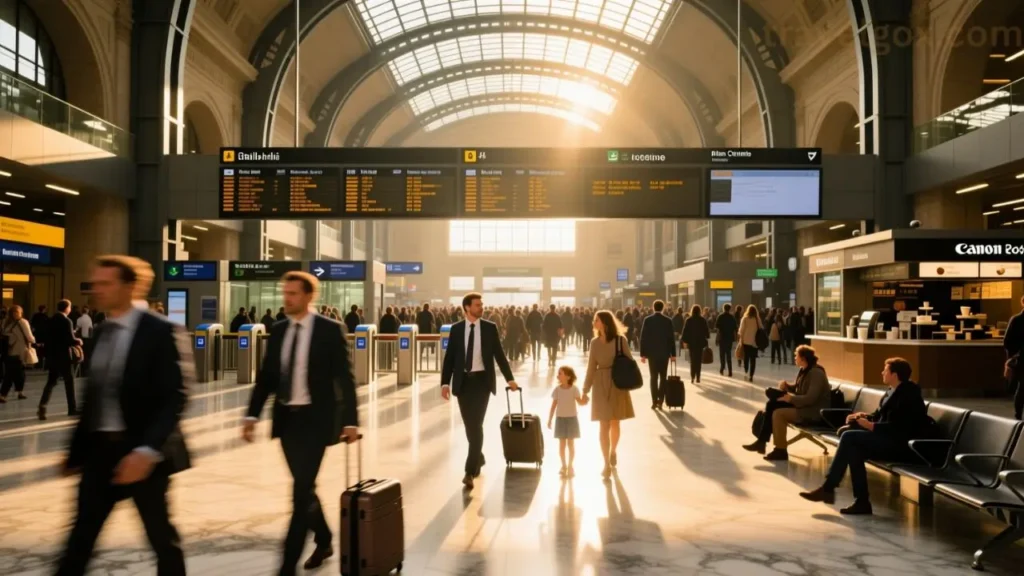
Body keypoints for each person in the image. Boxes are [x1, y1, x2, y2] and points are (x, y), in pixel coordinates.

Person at [55, 256, 193, 575]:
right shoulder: (104, 331)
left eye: (106, 283)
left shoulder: (162, 331)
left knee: (162, 539)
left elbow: (176, 395)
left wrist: (146, 451)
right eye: (96, 283)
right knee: (79, 541)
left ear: (130, 286)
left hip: (142, 456)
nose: (96, 290)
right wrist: (74, 453)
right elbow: (94, 397)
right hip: (99, 455)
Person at [242, 271, 359, 574]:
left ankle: (286, 565)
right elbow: (267, 377)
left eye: (293, 293)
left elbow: (344, 378)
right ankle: (324, 537)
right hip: (286, 421)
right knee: (303, 488)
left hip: (316, 421)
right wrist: (252, 414)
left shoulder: (330, 330)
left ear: (309, 296)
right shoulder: (279, 330)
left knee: (299, 492)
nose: (287, 298)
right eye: (285, 292)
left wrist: (351, 421)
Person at [800, 358, 929, 515]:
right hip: (887, 440)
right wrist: (864, 417)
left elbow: (903, 427)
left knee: (848, 437)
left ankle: (828, 487)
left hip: (903, 446)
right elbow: (880, 416)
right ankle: (862, 502)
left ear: (895, 375)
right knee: (854, 451)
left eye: (885, 370)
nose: (882, 372)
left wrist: (871, 426)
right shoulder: (892, 391)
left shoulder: (909, 396)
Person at [441, 293, 517, 490]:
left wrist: (510, 379)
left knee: (476, 425)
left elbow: (499, 355)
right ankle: (479, 457)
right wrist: (444, 383)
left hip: (482, 383)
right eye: (477, 305)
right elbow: (449, 358)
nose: (481, 307)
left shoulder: (489, 328)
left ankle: (469, 471)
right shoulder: (457, 329)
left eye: (481, 304)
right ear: (467, 307)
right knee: (470, 425)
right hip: (462, 383)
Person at [744, 345, 831, 461]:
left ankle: (779, 450)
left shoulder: (816, 374)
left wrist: (790, 399)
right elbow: (798, 389)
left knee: (778, 413)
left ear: (803, 358)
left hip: (813, 412)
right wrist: (787, 387)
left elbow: (811, 398)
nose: (795, 358)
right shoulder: (805, 370)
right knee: (772, 404)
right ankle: (762, 442)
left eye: (796, 356)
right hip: (803, 406)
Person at [582, 310, 635, 480]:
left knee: (615, 422)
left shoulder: (621, 340)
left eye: (596, 320)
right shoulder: (594, 343)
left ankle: (613, 451)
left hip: (617, 383)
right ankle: (606, 462)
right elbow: (591, 367)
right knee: (603, 425)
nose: (593, 323)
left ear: (604, 322)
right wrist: (585, 389)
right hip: (600, 385)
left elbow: (630, 362)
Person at [38, 299, 83, 420]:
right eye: (70, 307)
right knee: (69, 382)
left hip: (52, 356)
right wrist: (78, 341)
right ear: (67, 308)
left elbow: (45, 337)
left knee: (51, 382)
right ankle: (72, 408)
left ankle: (42, 405)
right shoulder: (67, 321)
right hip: (64, 356)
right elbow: (69, 340)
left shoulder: (50, 320)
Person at [547, 366, 586, 478]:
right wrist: (550, 419)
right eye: (558, 373)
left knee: (571, 444)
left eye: (560, 373)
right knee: (562, 445)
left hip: (572, 419)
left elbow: (580, 402)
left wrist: (585, 400)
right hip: (560, 419)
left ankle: (570, 465)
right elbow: (553, 406)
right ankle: (563, 465)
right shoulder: (557, 390)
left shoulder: (574, 389)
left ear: (568, 377)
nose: (558, 375)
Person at [640, 300, 676, 409]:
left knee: (653, 377)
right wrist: (673, 354)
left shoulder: (648, 320)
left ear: (653, 307)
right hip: (664, 354)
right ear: (663, 308)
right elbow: (671, 339)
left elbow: (643, 338)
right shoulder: (668, 321)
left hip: (652, 354)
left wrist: (643, 354)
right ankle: (661, 399)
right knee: (663, 377)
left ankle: (654, 400)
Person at [0, 305, 33, 402]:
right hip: (20, 352)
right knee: (13, 373)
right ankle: (4, 394)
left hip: (8, 352)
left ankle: (18, 392)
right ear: (20, 312)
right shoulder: (23, 322)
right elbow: (30, 337)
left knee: (17, 372)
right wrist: (34, 341)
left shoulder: (6, 323)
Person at [1003, 295, 1024, 419]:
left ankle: (1018, 414)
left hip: (1020, 358)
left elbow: (1007, 341)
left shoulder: (1016, 319)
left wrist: (1011, 356)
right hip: (1021, 358)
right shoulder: (1016, 320)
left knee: (1022, 387)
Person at [681, 305, 710, 384]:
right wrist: (706, 337)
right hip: (700, 343)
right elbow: (707, 333)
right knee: (698, 360)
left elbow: (685, 331)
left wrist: (685, 341)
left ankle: (692, 376)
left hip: (691, 343)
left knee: (692, 360)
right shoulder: (702, 320)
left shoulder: (689, 320)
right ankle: (698, 376)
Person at [738, 305, 763, 382]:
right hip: (755, 342)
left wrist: (740, 340)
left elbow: (741, 331)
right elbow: (761, 328)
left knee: (746, 357)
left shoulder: (745, 319)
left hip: (746, 341)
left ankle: (746, 369)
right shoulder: (757, 319)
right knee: (753, 359)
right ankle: (751, 375)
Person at [714, 304, 737, 377]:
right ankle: (730, 371)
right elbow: (735, 328)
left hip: (722, 338)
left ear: (723, 308)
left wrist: (717, 339)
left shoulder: (720, 317)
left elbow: (717, 328)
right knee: (728, 355)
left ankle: (722, 368)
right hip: (729, 338)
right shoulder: (732, 317)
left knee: (722, 354)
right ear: (729, 309)